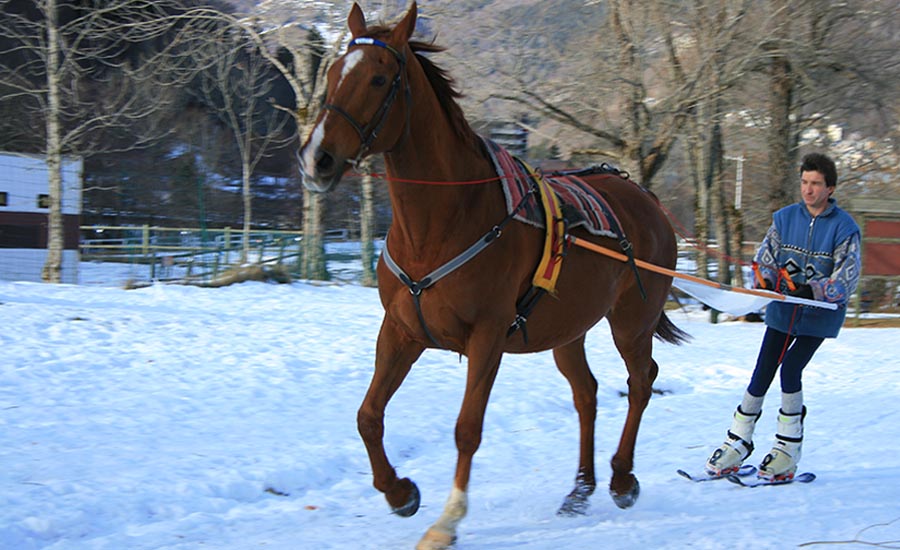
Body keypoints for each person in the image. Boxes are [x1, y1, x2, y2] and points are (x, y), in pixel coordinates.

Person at [704, 152, 861, 481]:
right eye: (804, 182)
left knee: (790, 369)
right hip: (782, 312)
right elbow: (765, 258)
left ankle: (788, 449)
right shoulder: (785, 218)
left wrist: (814, 291)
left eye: (816, 184)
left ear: (830, 188)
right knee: (763, 369)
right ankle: (738, 440)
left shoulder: (845, 228)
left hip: (818, 317)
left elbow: (846, 279)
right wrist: (763, 282)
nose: (808, 190)